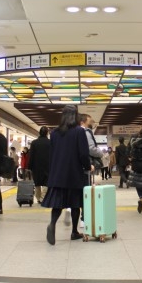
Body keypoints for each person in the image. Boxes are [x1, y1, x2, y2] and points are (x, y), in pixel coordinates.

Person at [43, 105, 91, 245]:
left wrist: (52, 172)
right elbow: (83, 153)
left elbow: (51, 155)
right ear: (75, 116)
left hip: (57, 173)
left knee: (58, 203)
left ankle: (52, 224)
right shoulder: (79, 131)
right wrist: (88, 166)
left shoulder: (55, 133)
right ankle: (74, 232)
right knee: (75, 203)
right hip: (74, 172)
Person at [29, 127, 50, 204]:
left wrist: (30, 166)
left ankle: (38, 198)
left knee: (37, 182)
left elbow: (31, 155)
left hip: (36, 166)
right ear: (47, 133)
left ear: (39, 133)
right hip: (48, 165)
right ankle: (43, 198)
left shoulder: (34, 142)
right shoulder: (50, 142)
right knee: (46, 182)